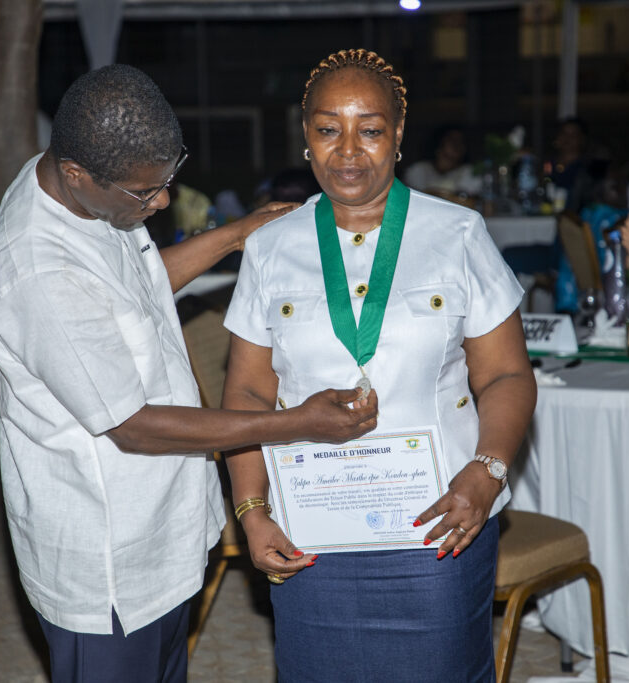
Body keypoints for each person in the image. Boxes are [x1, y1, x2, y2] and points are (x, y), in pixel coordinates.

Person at [0, 64, 379, 683]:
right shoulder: (39, 272)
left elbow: (127, 293)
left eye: (168, 180)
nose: (162, 201)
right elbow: (133, 427)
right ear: (78, 173)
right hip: (111, 563)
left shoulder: (69, 182)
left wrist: (235, 235)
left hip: (160, 530)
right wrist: (297, 423)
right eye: (146, 192)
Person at [222, 49, 536, 681]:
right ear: (305, 136)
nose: (348, 151)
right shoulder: (269, 247)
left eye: (368, 130)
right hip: (309, 527)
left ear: (397, 134)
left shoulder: (458, 233)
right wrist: (252, 511)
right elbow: (249, 394)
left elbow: (506, 374)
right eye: (327, 129)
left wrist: (489, 472)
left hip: (439, 525)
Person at [403, 125, 482, 202]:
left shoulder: (470, 172)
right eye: (452, 140)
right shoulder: (418, 170)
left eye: (461, 141)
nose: (457, 145)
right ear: (439, 142)